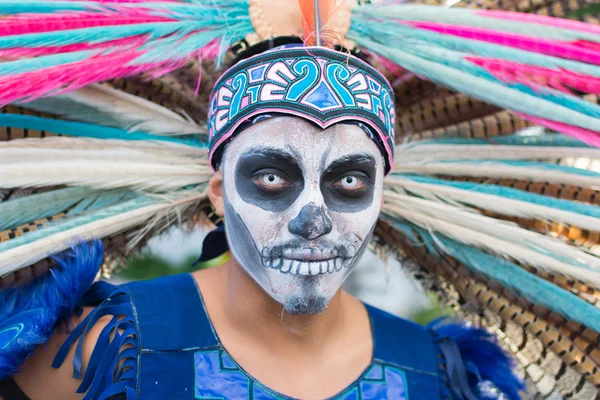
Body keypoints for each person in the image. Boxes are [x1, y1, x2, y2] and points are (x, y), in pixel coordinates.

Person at [1, 1, 599, 399]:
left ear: (381, 198)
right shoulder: (109, 350)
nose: (313, 220)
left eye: (346, 182)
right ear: (217, 192)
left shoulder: (429, 372)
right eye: (270, 178)